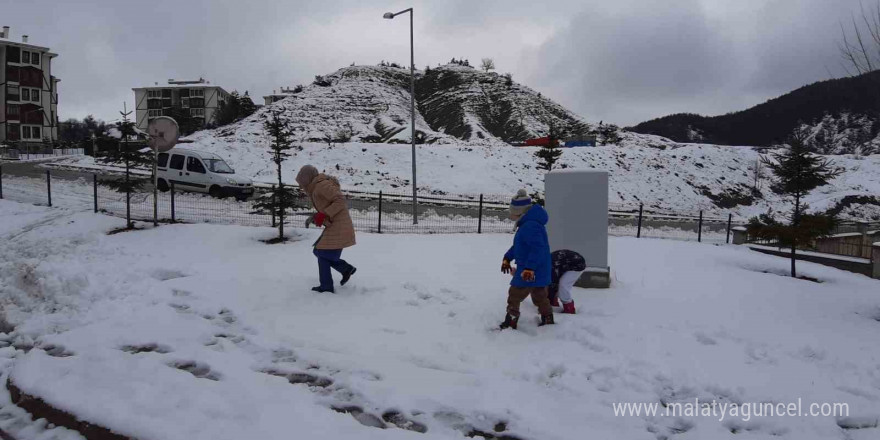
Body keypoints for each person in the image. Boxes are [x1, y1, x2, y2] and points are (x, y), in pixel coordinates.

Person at [296, 165, 357, 293]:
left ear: (308, 178)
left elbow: (340, 201)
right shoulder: (316, 186)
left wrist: (324, 214)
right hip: (334, 223)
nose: (301, 187)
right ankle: (344, 269)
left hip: (339, 224)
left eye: (302, 183)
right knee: (320, 252)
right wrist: (314, 217)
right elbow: (325, 207)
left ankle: (328, 285)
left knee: (322, 253)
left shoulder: (321, 185)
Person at [499, 189, 554, 330]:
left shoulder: (530, 226)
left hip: (529, 269)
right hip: (538, 268)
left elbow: (538, 249)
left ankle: (511, 321)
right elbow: (520, 246)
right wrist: (507, 257)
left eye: (512, 211)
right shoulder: (529, 224)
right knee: (540, 295)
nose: (510, 214)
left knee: (515, 294)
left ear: (519, 211)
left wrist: (529, 268)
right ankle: (547, 319)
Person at [549, 250, 586, 314]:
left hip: (577, 265)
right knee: (555, 284)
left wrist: (550, 299)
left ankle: (569, 308)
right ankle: (554, 303)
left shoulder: (550, 266)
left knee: (563, 285)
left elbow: (554, 283)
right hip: (566, 263)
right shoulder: (548, 262)